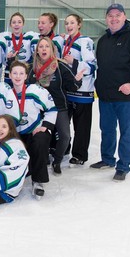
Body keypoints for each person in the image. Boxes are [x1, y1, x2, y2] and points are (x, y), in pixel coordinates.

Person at [90, 3, 130, 182]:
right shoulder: (103, 40)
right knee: (107, 129)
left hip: (126, 96)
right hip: (106, 95)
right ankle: (108, 158)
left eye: (118, 15)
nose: (114, 18)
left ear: (124, 16)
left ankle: (123, 166)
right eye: (110, 15)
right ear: (106, 18)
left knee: (127, 131)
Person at [28, 37, 84, 176]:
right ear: (37, 51)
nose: (44, 49)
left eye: (47, 46)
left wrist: (78, 81)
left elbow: (72, 85)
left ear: (52, 49)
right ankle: (44, 157)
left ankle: (57, 160)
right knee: (41, 136)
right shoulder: (32, 67)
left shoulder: (60, 65)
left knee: (65, 136)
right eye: (41, 47)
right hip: (40, 110)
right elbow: (27, 87)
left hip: (59, 107)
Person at [9, 61, 57, 199]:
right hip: (16, 134)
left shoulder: (35, 90)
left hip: (33, 131)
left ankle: (38, 181)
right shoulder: (5, 93)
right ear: (10, 75)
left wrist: (46, 126)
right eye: (15, 73)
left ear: (25, 76)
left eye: (21, 73)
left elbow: (52, 109)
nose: (18, 76)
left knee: (41, 140)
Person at [62, 14, 97, 167]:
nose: (69, 25)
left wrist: (74, 62)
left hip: (83, 92)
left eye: (72, 23)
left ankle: (79, 155)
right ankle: (64, 149)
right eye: (66, 23)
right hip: (69, 91)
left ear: (79, 24)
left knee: (81, 127)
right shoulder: (66, 42)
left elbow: (91, 67)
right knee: (64, 125)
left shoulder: (85, 41)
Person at [0, 12, 36, 84]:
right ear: (10, 25)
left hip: (25, 73)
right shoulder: (5, 37)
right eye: (14, 22)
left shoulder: (30, 37)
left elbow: (44, 36)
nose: (16, 24)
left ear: (23, 24)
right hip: (9, 72)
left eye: (19, 22)